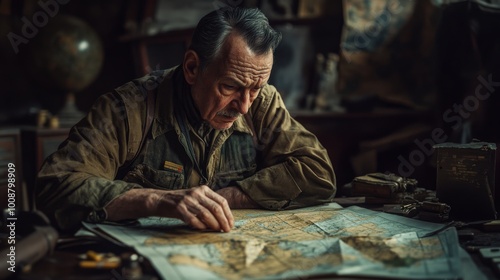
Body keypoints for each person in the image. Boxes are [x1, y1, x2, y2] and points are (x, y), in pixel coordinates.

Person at [35, 7, 336, 233]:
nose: (244, 107)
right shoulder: (127, 110)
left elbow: (319, 173)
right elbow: (56, 187)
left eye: (255, 89)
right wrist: (157, 201)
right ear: (192, 68)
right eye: (229, 87)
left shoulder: (263, 103)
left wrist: (230, 196)